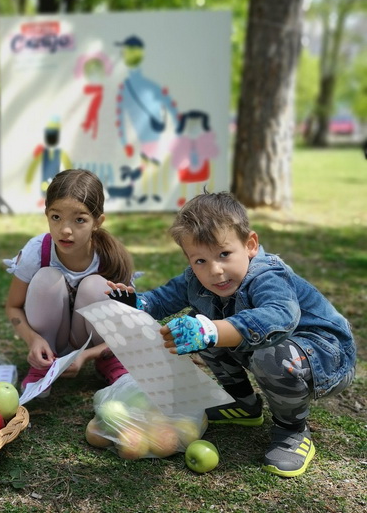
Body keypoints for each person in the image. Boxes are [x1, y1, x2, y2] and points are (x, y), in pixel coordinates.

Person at [107, 191, 356, 478]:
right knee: (201, 323)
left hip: (324, 356)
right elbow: (164, 298)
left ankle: (293, 430)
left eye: (224, 254)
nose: (215, 270)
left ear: (250, 244)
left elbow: (279, 316)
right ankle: (243, 405)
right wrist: (137, 305)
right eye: (199, 260)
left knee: (250, 346)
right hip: (276, 349)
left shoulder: (267, 275)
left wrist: (210, 330)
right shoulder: (195, 277)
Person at [4, 168, 135, 394]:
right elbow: (13, 306)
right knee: (46, 278)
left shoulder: (111, 258)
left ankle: (107, 360)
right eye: (56, 217)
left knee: (95, 286)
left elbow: (128, 326)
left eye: (79, 220)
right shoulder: (37, 252)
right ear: (46, 215)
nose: (65, 230)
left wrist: (88, 355)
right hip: (52, 337)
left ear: (97, 221)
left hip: (92, 342)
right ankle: (44, 363)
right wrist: (33, 340)